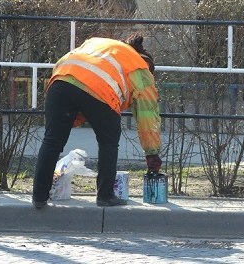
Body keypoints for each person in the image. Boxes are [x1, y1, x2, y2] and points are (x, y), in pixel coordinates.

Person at [32, 34, 162, 208]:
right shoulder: (140, 68)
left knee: (52, 141)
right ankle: (105, 195)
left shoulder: (103, 44)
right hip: (99, 89)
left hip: (60, 81)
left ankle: (39, 197)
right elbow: (147, 116)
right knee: (109, 141)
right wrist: (152, 153)